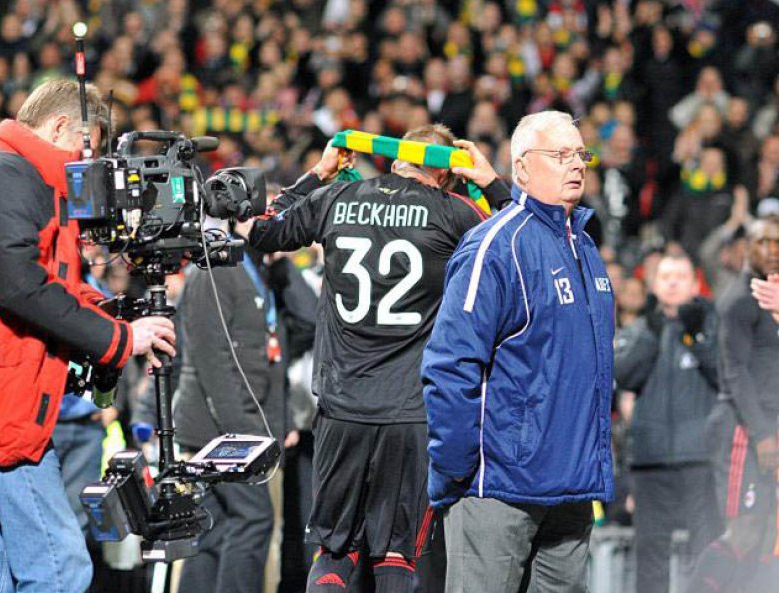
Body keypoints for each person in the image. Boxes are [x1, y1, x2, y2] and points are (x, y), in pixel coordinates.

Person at [0, 78, 176, 593]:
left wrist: (112, 315)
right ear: (60, 125)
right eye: (83, 148)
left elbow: (44, 284)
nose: (83, 167)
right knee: (60, 568)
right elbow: (18, 286)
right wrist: (118, 340)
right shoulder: (5, 171)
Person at [248, 123, 511, 593]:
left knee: (335, 550)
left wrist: (319, 173)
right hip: (412, 412)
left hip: (341, 406)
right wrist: (490, 182)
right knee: (397, 551)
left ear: (395, 160)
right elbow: (517, 242)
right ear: (449, 174)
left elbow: (263, 230)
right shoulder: (454, 213)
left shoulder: (336, 200)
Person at [422, 110, 615, 593]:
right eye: (560, 155)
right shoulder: (494, 245)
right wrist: (458, 470)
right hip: (499, 489)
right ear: (523, 168)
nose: (577, 165)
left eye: (580, 154)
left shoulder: (585, 246)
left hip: (572, 492)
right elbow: (449, 365)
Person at [174, 217, 297, 593]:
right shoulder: (216, 267)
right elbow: (214, 361)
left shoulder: (254, 264)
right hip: (220, 426)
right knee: (253, 519)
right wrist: (243, 437)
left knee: (217, 527)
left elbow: (297, 327)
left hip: (233, 421)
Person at [614, 253, 723, 593]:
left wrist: (698, 337)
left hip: (700, 459)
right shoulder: (640, 328)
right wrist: (651, 333)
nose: (673, 282)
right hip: (651, 462)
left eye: (680, 275)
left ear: (694, 282)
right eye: (665, 276)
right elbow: (623, 376)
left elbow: (725, 376)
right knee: (651, 557)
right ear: (653, 285)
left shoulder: (713, 323)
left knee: (706, 554)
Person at [686, 216, 779, 593]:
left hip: (768, 424)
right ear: (745, 248)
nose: (771, 251)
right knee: (744, 527)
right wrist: (762, 435)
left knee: (766, 530)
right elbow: (735, 374)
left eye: (778, 243)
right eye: (762, 242)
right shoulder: (739, 300)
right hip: (743, 429)